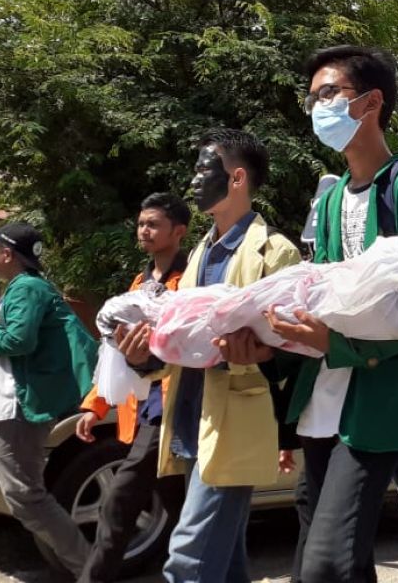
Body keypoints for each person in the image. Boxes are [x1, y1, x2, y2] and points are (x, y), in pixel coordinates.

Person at [259, 46, 398, 583]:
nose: (317, 107)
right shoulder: (329, 200)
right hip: (322, 398)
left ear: (370, 103)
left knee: (325, 562)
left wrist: (338, 345)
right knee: (339, 555)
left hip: (381, 398)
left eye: (329, 94)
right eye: (312, 98)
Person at [121, 128, 301, 583]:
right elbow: (184, 340)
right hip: (191, 416)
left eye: (204, 169)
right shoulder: (200, 251)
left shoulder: (277, 253)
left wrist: (260, 353)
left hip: (235, 422)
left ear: (237, 177)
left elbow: (296, 349)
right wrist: (146, 354)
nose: (195, 181)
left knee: (187, 559)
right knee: (226, 559)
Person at [0, 222, 98, 583]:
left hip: (16, 410)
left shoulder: (27, 288)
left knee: (26, 498)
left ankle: (93, 570)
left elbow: (18, 342)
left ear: (6, 254)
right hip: (1, 412)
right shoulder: (24, 288)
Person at [75, 193, 191, 582]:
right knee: (180, 504)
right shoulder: (140, 282)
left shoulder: (189, 280)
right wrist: (96, 405)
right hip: (143, 404)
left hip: (172, 401)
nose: (144, 229)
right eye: (141, 223)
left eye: (153, 224)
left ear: (179, 232)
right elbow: (114, 351)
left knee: (121, 499)